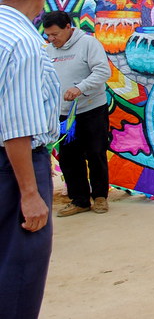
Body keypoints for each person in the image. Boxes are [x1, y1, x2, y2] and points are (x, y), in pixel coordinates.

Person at [0, 0, 61, 318]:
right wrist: (30, 193)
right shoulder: (22, 41)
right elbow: (16, 126)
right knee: (20, 268)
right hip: (14, 169)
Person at [41, 11, 112, 217]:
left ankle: (100, 196)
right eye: (48, 36)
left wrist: (80, 88)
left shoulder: (89, 44)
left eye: (55, 34)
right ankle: (79, 199)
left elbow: (102, 71)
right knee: (69, 157)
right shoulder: (49, 51)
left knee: (95, 153)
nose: (52, 39)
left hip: (91, 109)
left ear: (68, 27)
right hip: (64, 115)